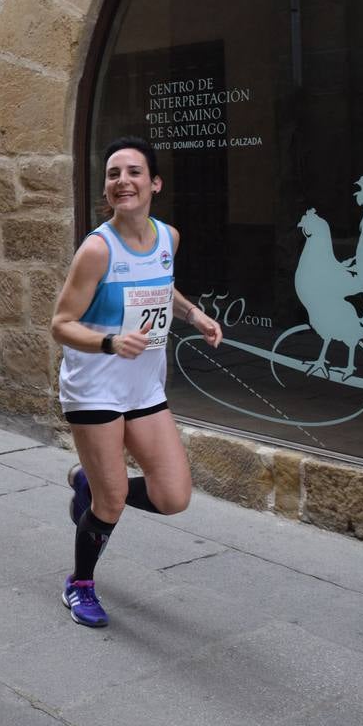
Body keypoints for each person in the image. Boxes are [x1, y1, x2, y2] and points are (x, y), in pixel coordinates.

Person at [50, 137, 223, 628]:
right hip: (95, 389)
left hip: (144, 388)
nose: (122, 181)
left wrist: (193, 314)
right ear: (107, 190)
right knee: (112, 503)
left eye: (133, 172)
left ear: (154, 184)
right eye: (112, 175)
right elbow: (61, 323)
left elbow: (161, 288)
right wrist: (109, 343)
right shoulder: (97, 249)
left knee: (173, 496)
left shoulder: (169, 237)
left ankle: (90, 482)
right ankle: (79, 584)